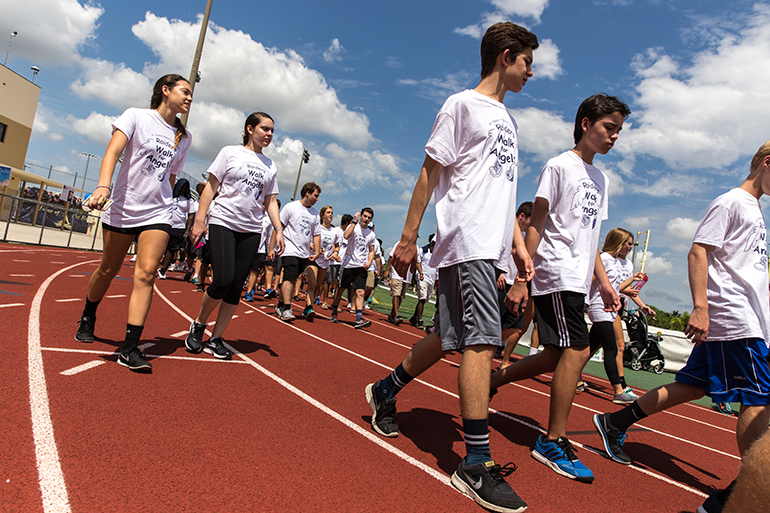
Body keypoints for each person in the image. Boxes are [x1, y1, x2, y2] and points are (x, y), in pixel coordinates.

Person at [365, 22, 537, 513]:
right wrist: (407, 235)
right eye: (527, 62)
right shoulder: (461, 105)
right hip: (466, 242)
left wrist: (518, 246)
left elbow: (500, 191)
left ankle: (384, 390)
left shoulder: (509, 120)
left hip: (493, 247)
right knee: (481, 342)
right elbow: (430, 170)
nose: (532, 72)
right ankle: (475, 463)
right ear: (506, 56)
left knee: (446, 337)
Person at [594, 140, 770, 513]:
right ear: (767, 163)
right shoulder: (732, 202)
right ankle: (744, 493)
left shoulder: (754, 209)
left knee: (691, 386)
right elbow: (698, 251)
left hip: (745, 317)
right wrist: (701, 307)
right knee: (759, 398)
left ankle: (615, 423)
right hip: (735, 318)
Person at [489, 93, 631, 483]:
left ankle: (493, 380)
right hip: (554, 272)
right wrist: (522, 278)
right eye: (608, 127)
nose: (614, 136)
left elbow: (592, 237)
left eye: (619, 130)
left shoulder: (601, 179)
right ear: (585, 123)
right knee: (579, 349)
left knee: (555, 355)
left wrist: (603, 284)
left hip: (579, 279)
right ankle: (552, 440)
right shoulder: (559, 166)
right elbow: (536, 223)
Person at [74, 74, 193, 372]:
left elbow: (171, 176)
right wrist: (103, 187)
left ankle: (130, 348)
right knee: (108, 269)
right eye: (185, 91)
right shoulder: (136, 116)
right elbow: (113, 152)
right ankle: (89, 314)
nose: (190, 97)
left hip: (159, 212)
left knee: (147, 273)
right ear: (165, 91)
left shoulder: (185, 137)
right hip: (125, 207)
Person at [185, 112, 283, 359]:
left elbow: (270, 201)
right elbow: (211, 187)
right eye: (265, 128)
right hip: (223, 221)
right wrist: (200, 220)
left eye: (272, 130)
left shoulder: (270, 165)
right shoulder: (229, 152)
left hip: (251, 229)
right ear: (250, 129)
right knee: (223, 279)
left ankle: (216, 338)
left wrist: (279, 229)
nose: (269, 134)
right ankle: (199, 324)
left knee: (235, 286)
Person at [586, 228, 647, 403]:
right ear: (618, 242)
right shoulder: (604, 258)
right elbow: (591, 280)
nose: (630, 247)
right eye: (627, 243)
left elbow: (617, 286)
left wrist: (634, 279)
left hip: (612, 308)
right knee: (612, 348)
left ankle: (568, 372)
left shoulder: (618, 262)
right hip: (599, 306)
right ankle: (619, 390)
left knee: (590, 347)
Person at [271, 182, 321, 321]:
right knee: (290, 277)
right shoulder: (291, 207)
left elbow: (316, 235)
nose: (317, 199)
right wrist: (272, 248)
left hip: (304, 253)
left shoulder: (315, 214)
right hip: (289, 249)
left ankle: (280, 305)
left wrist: (316, 251)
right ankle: (287, 308)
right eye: (315, 196)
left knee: (291, 279)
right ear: (307, 193)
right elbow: (278, 227)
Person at [498, 202, 534, 368]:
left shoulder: (527, 239)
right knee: (493, 321)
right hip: (502, 282)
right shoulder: (505, 230)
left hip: (517, 285)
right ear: (522, 216)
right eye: (530, 221)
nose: (531, 226)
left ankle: (492, 346)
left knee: (515, 325)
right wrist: (498, 273)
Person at [330, 208, 376, 329]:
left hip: (361, 266)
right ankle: (334, 311)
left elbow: (371, 250)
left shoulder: (371, 234)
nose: (366, 219)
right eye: (365, 216)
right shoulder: (353, 227)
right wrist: (354, 222)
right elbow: (345, 235)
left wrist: (369, 261)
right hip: (348, 265)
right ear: (361, 216)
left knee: (360, 292)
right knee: (340, 290)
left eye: (369, 218)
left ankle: (359, 318)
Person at [157, 178, 194, 279]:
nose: (183, 190)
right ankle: (154, 265)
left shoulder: (189, 201)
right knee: (161, 247)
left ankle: (163, 270)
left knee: (171, 250)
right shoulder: (169, 196)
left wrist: (187, 230)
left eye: (185, 188)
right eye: (182, 187)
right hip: (167, 224)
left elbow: (191, 215)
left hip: (179, 228)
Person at [408, 234, 437, 329]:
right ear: (430, 242)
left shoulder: (438, 253)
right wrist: (420, 273)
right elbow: (418, 262)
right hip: (423, 278)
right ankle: (419, 320)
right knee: (422, 299)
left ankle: (414, 317)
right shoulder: (422, 250)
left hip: (432, 280)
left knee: (424, 301)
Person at [385, 242, 415, 324]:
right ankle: (397, 315)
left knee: (401, 297)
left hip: (407, 276)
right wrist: (387, 270)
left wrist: (414, 276)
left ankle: (392, 315)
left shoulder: (416, 248)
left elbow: (416, 262)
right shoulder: (399, 244)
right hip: (397, 274)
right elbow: (391, 257)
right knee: (396, 294)